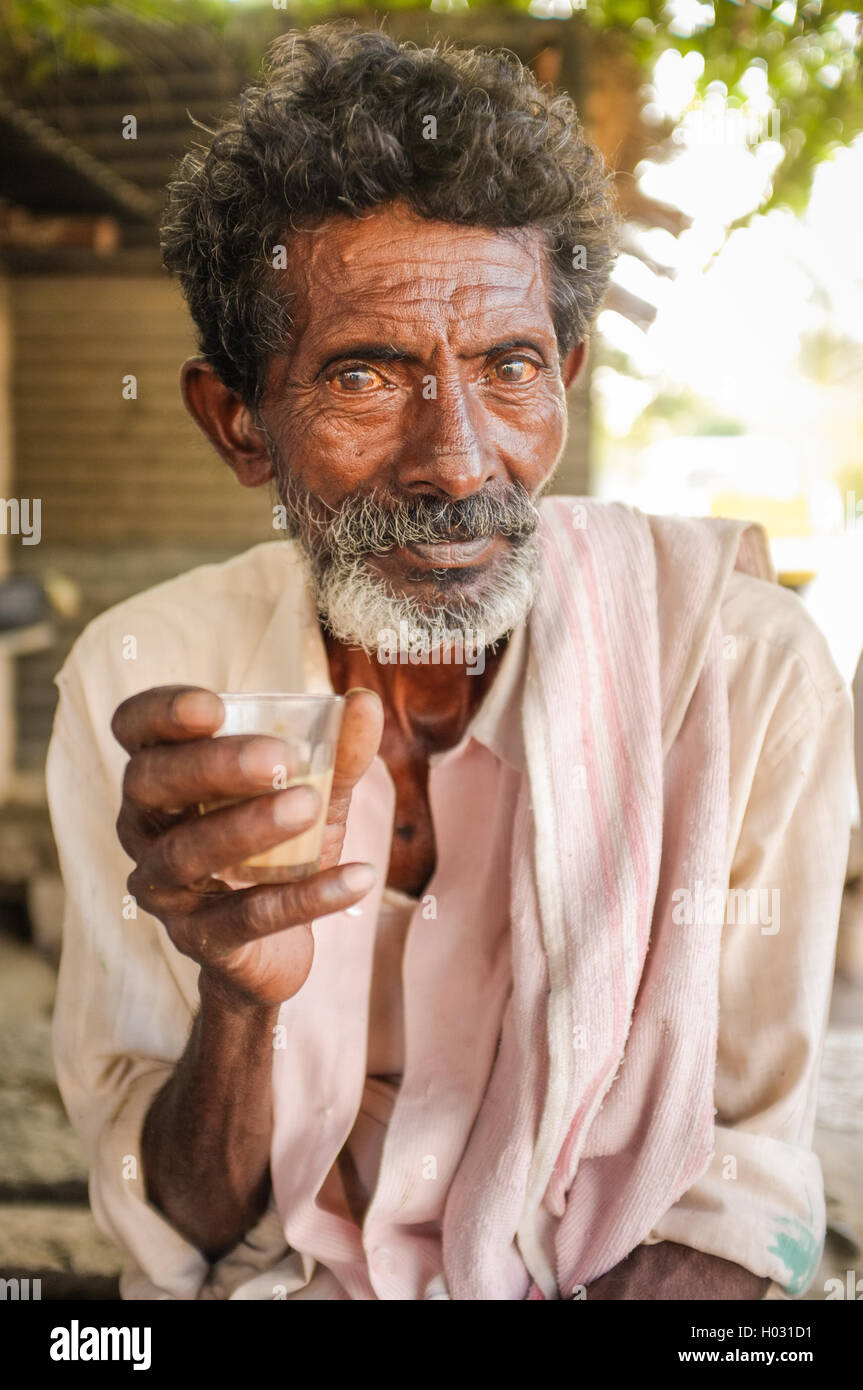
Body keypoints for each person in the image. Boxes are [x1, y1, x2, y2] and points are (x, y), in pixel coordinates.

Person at [47, 23, 851, 1301]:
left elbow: (737, 1196)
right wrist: (239, 1004)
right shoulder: (145, 686)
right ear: (237, 423)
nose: (459, 462)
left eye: (508, 368)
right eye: (366, 374)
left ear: (567, 380)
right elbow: (179, 1225)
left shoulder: (740, 678)